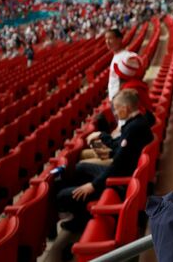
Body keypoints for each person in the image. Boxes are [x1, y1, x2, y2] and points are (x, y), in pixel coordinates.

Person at [56, 89, 154, 232]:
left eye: (116, 108)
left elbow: (117, 165)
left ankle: (81, 220)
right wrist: (104, 139)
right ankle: (80, 209)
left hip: (120, 181)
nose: (114, 112)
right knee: (81, 168)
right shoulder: (137, 122)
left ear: (125, 108)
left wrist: (93, 185)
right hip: (124, 171)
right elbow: (120, 149)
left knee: (62, 196)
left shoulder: (134, 128)